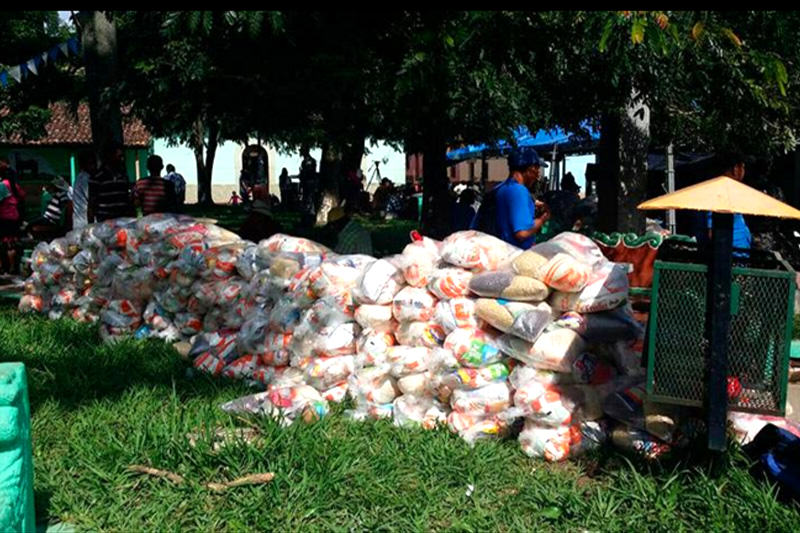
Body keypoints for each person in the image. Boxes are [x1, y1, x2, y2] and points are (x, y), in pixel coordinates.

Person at [472, 147, 550, 248]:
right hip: (512, 254)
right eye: (537, 168)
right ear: (530, 169)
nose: (538, 174)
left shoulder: (500, 188)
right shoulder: (519, 190)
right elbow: (523, 233)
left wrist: (531, 204)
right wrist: (543, 218)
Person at [696, 152, 752, 251]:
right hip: (730, 256)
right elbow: (712, 232)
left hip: (737, 253)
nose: (744, 172)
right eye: (743, 167)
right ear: (736, 169)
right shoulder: (719, 194)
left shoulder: (729, 192)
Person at [88, 142, 135, 222]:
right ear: (110, 156)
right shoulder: (97, 178)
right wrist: (91, 226)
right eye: (119, 156)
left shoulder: (123, 176)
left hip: (122, 223)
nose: (122, 159)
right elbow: (92, 204)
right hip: (105, 224)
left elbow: (127, 200)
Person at [0, 158, 25, 274]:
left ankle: (5, 267)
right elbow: (22, 196)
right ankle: (13, 267)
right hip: (15, 216)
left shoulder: (2, 185)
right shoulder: (14, 185)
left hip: (4, 217)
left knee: (5, 242)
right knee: (12, 242)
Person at [72, 150, 95, 229]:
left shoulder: (79, 177)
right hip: (85, 223)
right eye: (91, 163)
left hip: (79, 221)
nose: (93, 167)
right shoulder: (86, 179)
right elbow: (92, 200)